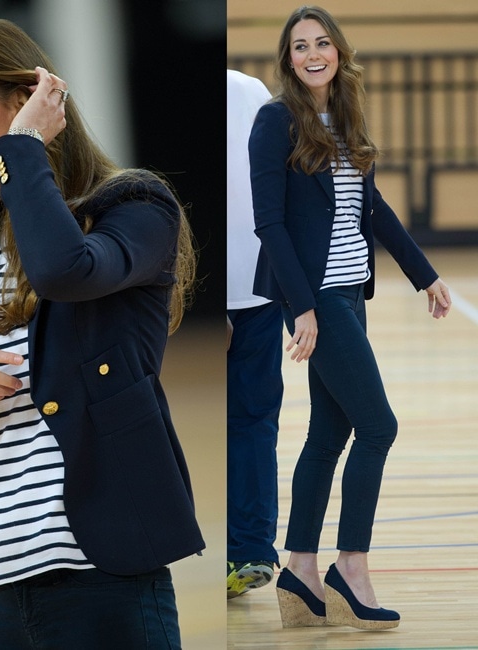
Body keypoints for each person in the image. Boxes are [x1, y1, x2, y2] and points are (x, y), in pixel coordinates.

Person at [0, 15, 205, 649]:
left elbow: (65, 270)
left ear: (23, 101)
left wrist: (23, 149)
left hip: (105, 574)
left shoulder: (134, 209)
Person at [249, 5, 451, 630]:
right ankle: (352, 567)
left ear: (338, 51)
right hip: (317, 299)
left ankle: (300, 570)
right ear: (287, 59)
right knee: (380, 427)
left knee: (329, 435)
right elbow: (269, 223)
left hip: (349, 296)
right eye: (300, 46)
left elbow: (375, 206)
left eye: (322, 43)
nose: (312, 54)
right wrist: (302, 306)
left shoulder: (346, 120)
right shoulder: (273, 120)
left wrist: (426, 274)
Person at [226, 69, 284, 599]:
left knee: (248, 421)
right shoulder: (249, 89)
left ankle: (244, 551)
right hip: (262, 285)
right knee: (254, 422)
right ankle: (249, 550)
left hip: (254, 289)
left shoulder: (247, 91)